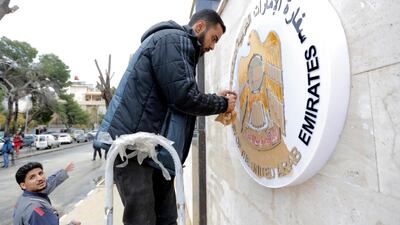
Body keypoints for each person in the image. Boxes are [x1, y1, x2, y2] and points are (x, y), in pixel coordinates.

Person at [96, 9, 236, 225]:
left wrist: (213, 99)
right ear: (199, 27)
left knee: (167, 219)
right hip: (134, 151)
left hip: (153, 153)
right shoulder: (172, 40)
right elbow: (183, 96)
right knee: (142, 220)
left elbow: (179, 94)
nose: (212, 46)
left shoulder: (180, 48)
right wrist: (222, 104)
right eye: (213, 38)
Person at [13, 162, 81, 225]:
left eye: (40, 173)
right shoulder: (36, 210)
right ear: (23, 185)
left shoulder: (26, 196)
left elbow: (49, 183)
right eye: (32, 177)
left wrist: (64, 171)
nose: (40, 178)